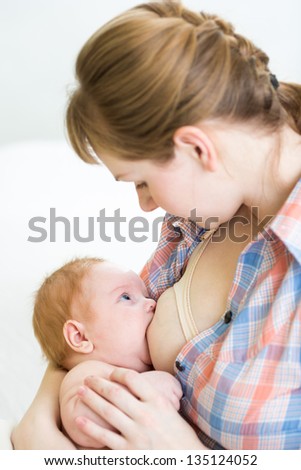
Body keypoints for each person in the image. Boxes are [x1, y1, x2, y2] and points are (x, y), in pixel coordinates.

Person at [12, 0, 301, 450]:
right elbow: (92, 320)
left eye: (142, 181)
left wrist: (182, 455)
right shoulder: (202, 213)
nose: (145, 205)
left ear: (196, 149)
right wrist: (42, 415)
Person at [32, 257, 182, 449]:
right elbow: (83, 421)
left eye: (145, 295)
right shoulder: (87, 373)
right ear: (80, 337)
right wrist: (147, 388)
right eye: (126, 297)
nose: (151, 303)